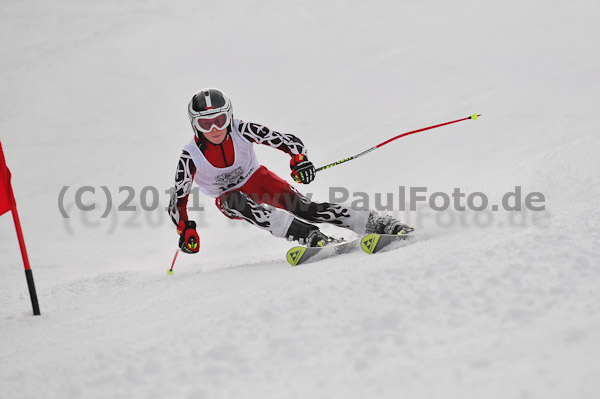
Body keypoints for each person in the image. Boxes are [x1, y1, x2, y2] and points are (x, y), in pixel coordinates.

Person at [168, 88, 413, 254]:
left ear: (229, 116)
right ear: (194, 125)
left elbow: (287, 141)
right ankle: (307, 235)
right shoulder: (191, 156)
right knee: (234, 201)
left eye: (220, 120)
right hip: (228, 198)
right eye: (205, 123)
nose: (214, 129)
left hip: (259, 181)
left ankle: (376, 222)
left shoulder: (242, 130)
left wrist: (299, 160)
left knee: (304, 207)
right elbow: (177, 201)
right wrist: (185, 228)